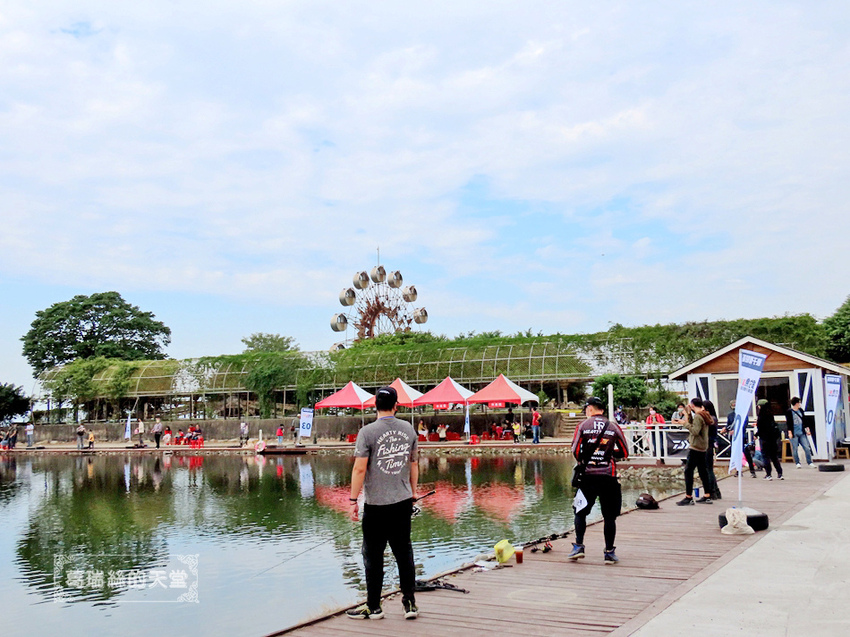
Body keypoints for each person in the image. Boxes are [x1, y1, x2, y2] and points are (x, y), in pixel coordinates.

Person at [347, 386, 419, 621]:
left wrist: (352, 500)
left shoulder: (367, 432)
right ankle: (409, 604)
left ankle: (374, 607)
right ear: (396, 405)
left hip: (376, 505)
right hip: (402, 502)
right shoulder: (408, 429)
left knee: (373, 556)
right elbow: (414, 465)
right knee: (404, 553)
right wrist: (414, 493)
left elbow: (359, 468)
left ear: (375, 405)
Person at [569, 397, 629, 565]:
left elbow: (575, 450)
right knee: (610, 516)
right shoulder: (613, 427)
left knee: (580, 512)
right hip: (608, 477)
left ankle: (578, 547)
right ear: (602, 409)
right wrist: (608, 456)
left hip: (588, 477)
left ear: (589, 409)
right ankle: (609, 552)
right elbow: (624, 452)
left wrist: (585, 461)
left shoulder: (582, 426)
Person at [676, 398, 713, 505]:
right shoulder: (704, 414)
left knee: (688, 471)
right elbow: (696, 426)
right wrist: (688, 414)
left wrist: (684, 423)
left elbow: (695, 431)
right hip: (702, 447)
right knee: (702, 471)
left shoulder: (698, 416)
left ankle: (688, 496)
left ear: (692, 405)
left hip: (696, 447)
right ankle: (707, 494)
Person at [724, 400, 756, 477]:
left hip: (741, 436)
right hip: (733, 438)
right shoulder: (730, 415)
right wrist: (727, 429)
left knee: (746, 453)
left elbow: (744, 425)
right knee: (736, 454)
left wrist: (736, 431)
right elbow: (729, 424)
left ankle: (752, 471)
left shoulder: (743, 414)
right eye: (732, 405)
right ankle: (738, 471)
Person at [756, 399, 783, 480]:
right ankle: (780, 473)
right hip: (773, 439)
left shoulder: (761, 416)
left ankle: (768, 474)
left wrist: (756, 434)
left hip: (764, 439)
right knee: (774, 457)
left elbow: (761, 428)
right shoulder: (770, 414)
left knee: (765, 456)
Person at [786, 397, 814, 468]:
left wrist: (807, 430)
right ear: (796, 403)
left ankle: (809, 462)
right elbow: (789, 423)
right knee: (795, 448)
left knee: (807, 447)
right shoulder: (789, 412)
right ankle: (797, 462)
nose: (800, 404)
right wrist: (790, 432)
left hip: (801, 432)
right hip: (794, 432)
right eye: (799, 402)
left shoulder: (801, 410)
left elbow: (804, 420)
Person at [702, 400, 721, 500]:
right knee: (709, 469)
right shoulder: (713, 418)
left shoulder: (711, 419)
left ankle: (712, 492)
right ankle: (716, 491)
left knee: (708, 469)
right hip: (709, 445)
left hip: (707, 445)